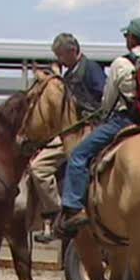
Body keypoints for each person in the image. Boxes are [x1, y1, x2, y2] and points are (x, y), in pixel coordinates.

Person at [55, 18, 140, 237]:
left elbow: (107, 102)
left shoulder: (121, 63)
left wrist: (102, 117)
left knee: (79, 155)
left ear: (131, 38)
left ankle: (74, 208)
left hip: (127, 122)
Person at [30, 33, 106, 243]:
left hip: (86, 128)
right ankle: (53, 211)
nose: (60, 60)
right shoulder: (71, 71)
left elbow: (103, 96)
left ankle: (61, 214)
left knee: (40, 168)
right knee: (36, 165)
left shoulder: (90, 68)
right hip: (69, 129)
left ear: (72, 51)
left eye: (61, 55)